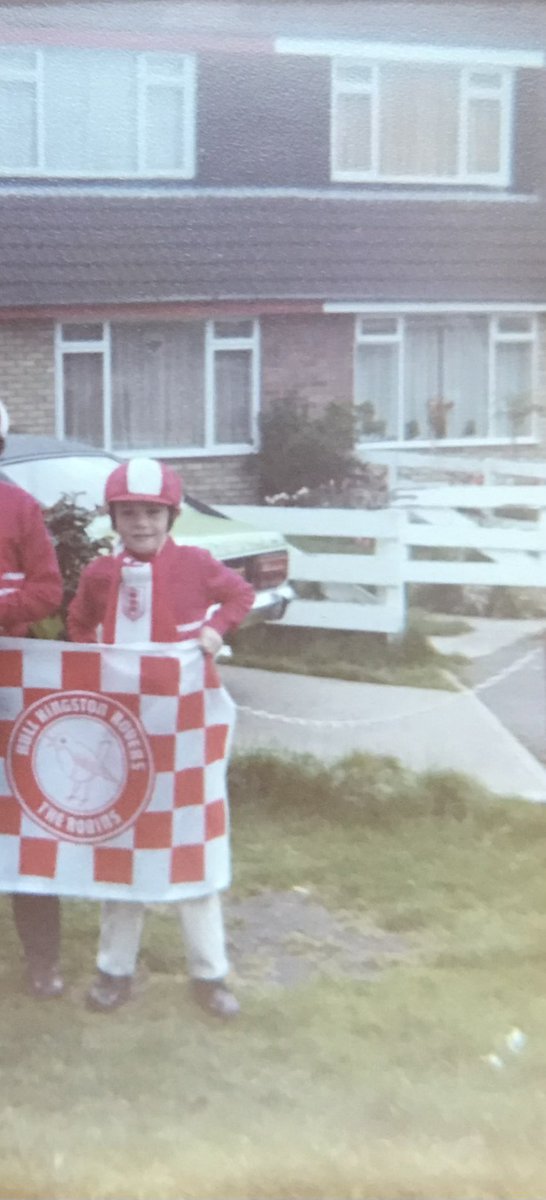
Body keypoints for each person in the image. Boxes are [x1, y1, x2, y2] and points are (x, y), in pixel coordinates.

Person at [68, 456, 254, 1019]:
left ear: (171, 515)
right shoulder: (101, 574)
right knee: (121, 845)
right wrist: (95, 662)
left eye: (152, 513)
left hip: (186, 729)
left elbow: (240, 595)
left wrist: (214, 631)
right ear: (114, 518)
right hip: (123, 730)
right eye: (129, 513)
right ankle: (114, 969)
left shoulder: (196, 564)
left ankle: (209, 973)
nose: (141, 523)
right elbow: (79, 623)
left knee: (192, 843)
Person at [0, 402, 64, 998]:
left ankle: (42, 959)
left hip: (11, 681)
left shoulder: (20, 507)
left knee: (24, 819)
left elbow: (48, 590)